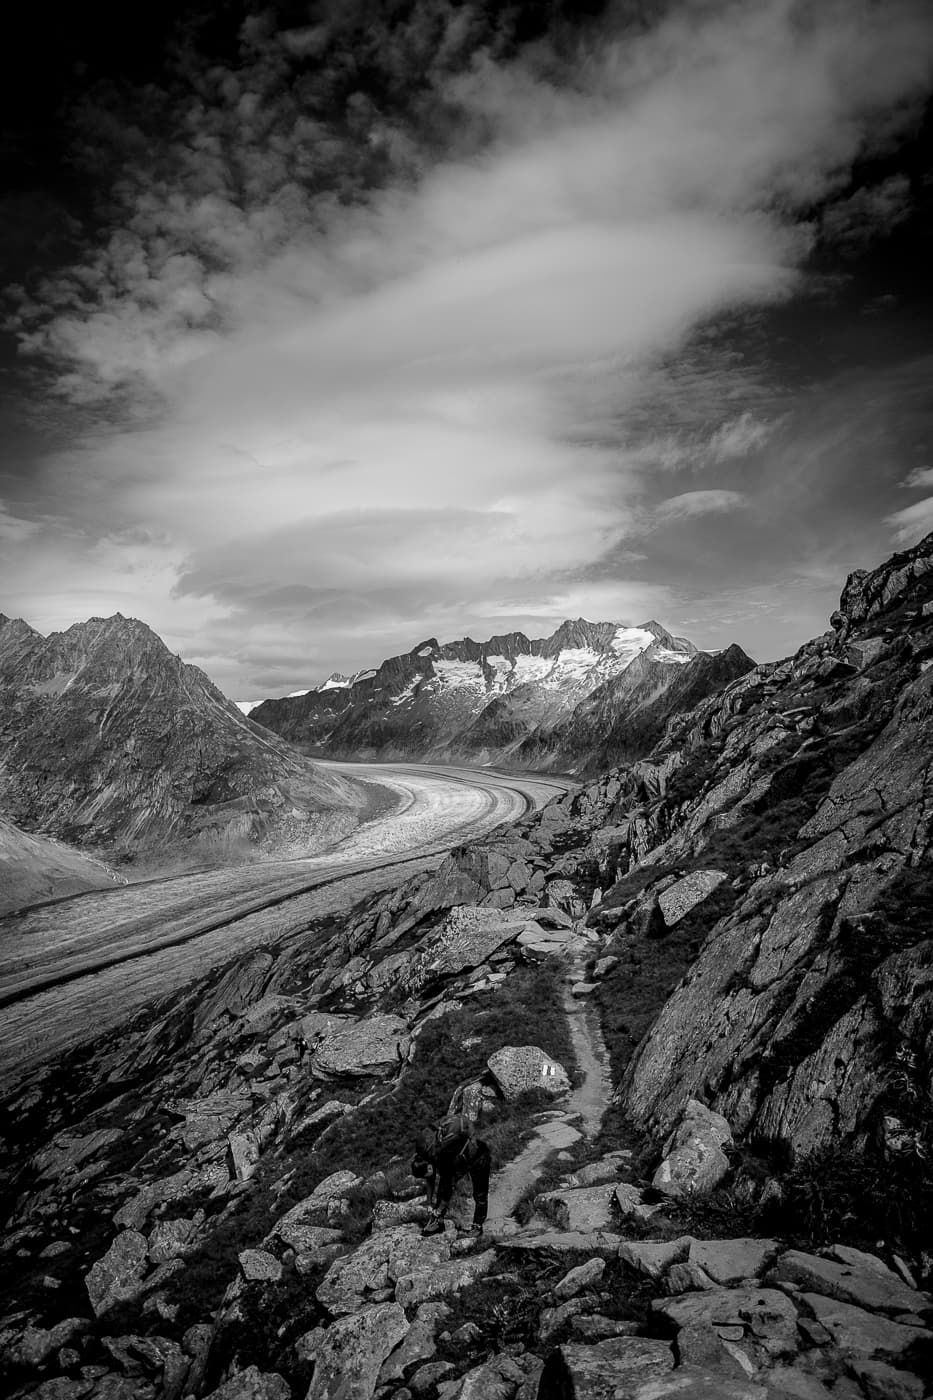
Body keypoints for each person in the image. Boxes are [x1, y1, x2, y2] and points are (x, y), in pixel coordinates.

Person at [411, 1113, 491, 1236]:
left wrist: (437, 1209)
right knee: (444, 1184)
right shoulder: (427, 1153)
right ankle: (437, 1221)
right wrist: (429, 1202)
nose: (432, 1177)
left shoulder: (437, 1154)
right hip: (461, 1155)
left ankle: (477, 1226)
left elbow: (447, 1187)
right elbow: (430, 1179)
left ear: (429, 1165)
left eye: (429, 1173)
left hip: (478, 1157)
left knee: (479, 1193)